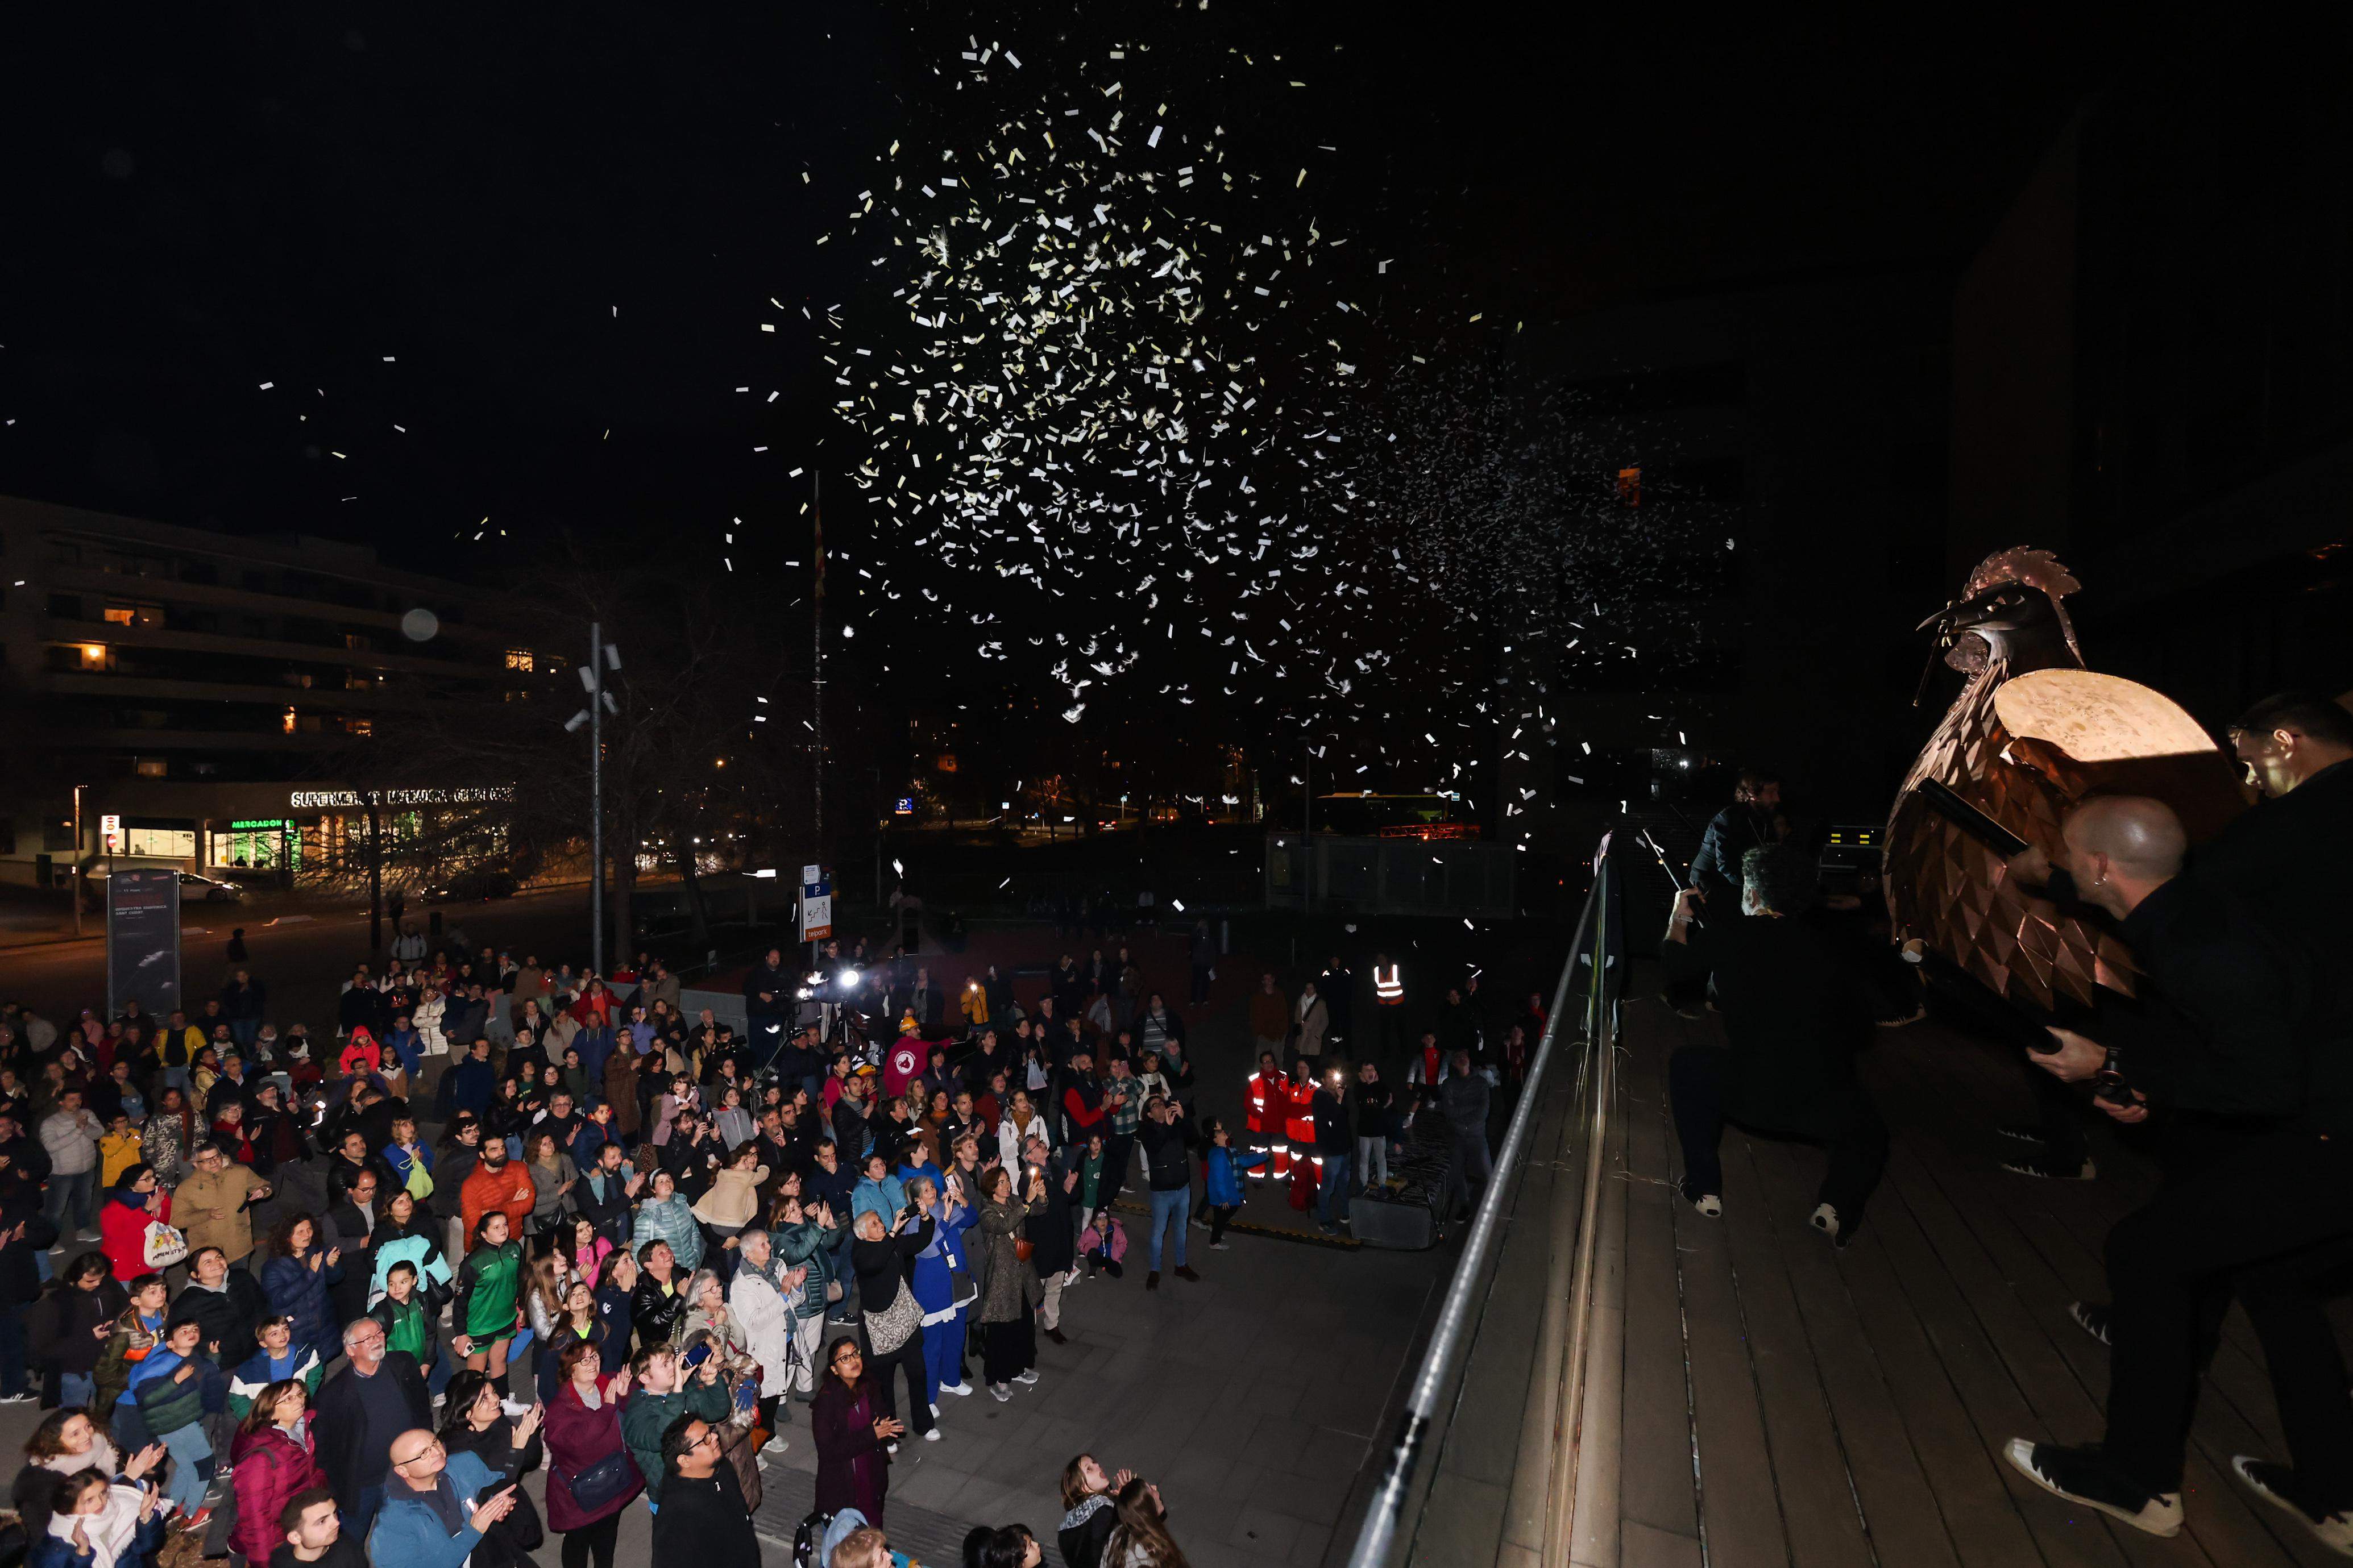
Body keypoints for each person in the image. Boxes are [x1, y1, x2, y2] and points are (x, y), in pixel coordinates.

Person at [1998, 795, 2353, 1544]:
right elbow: (2235, 1049)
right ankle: (2334, 1494)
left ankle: (2136, 1480)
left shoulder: (2201, 948)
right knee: (2274, 1282)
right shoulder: (2184, 904)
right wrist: (2146, 1083)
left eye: (2066, 852)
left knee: (2143, 1251)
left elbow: (2266, 1084)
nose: (2061, 860)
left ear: (2100, 864)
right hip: (2324, 1116)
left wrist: (2109, 1062)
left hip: (2331, 1135)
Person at [1661, 845, 1886, 1244]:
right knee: (1871, 1131)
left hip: (1749, 1093)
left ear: (1753, 893)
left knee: (1686, 1064)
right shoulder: (1835, 946)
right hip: (1820, 1102)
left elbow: (1675, 968)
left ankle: (1705, 1188)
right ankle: (1835, 1207)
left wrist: (1679, 918)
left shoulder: (1728, 935)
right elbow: (1862, 1032)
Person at [312, 1316, 431, 1545]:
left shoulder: (404, 1364)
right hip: (364, 1482)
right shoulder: (333, 1395)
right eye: (368, 1338)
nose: (377, 1340)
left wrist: (426, 1444)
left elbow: (421, 1406)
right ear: (351, 1350)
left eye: (379, 1334)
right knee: (352, 1540)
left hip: (406, 1471)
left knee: (409, 1531)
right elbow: (326, 1448)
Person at [542, 1341, 639, 1568]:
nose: (592, 1363)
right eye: (584, 1360)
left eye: (595, 1357)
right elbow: (578, 1444)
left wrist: (624, 1396)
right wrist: (607, 1408)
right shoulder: (560, 1408)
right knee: (578, 1544)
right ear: (570, 1370)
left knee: (606, 1542)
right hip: (580, 1496)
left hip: (613, 1483)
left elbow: (634, 1416)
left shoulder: (610, 1383)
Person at [367, 1426, 518, 1568]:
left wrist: (499, 1502)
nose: (437, 1452)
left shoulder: (465, 1463)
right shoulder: (392, 1521)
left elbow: (497, 1483)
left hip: (493, 1555)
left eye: (435, 1442)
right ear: (403, 1471)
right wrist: (473, 1531)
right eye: (424, 1453)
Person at [619, 1343, 729, 1513]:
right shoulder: (637, 1412)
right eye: (665, 1365)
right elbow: (662, 1439)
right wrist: (677, 1392)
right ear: (645, 1378)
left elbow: (718, 1412)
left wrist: (712, 1383)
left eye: (672, 1360)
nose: (674, 1366)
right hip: (671, 1497)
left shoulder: (685, 1389)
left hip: (704, 1481)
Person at [229, 1377, 327, 1568]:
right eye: (288, 1399)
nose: (299, 1401)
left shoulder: (304, 1429)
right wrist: (263, 1562)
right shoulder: (261, 1458)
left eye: (300, 1394)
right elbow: (255, 1519)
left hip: (295, 1526)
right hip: (274, 1539)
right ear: (270, 1411)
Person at [653, 1414, 761, 1568]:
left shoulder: (723, 1468)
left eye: (711, 1431)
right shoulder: (677, 1515)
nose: (715, 1437)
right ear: (684, 1460)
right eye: (705, 1439)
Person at [812, 1337, 900, 1525]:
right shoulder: (826, 1403)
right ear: (834, 1370)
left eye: (855, 1354)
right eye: (845, 1358)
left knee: (872, 1529)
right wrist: (872, 1434)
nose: (853, 1361)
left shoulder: (870, 1386)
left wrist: (885, 1426)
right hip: (842, 1487)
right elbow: (828, 1452)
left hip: (872, 1475)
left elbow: (881, 1415)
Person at [976, 1165, 1045, 1400]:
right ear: (991, 1188)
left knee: (1024, 1326)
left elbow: (1037, 1211)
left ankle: (1019, 1367)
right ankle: (999, 1378)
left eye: (1007, 1181)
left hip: (1022, 1274)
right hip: (1002, 1280)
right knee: (1001, 1333)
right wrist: (1027, 1202)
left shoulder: (1015, 1201)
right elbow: (1004, 1225)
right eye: (1002, 1183)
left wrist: (1041, 1197)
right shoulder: (987, 1212)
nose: (1007, 1186)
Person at [26, 1467, 168, 1568]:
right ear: (69, 1507)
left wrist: (146, 1518)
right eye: (89, 1500)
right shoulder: (57, 1547)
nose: (101, 1502)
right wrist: (82, 1553)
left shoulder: (119, 1508)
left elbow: (147, 1547)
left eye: (103, 1493)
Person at [452, 1209, 526, 1388]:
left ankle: (502, 1399)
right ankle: (475, 1404)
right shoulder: (473, 1263)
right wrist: (461, 1333)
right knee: (476, 1373)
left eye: (505, 1225)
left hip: (506, 1318)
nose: (503, 1230)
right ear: (484, 1234)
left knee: (499, 1361)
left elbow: (522, 1280)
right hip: (480, 1325)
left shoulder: (515, 1248)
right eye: (496, 1227)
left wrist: (523, 1307)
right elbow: (460, 1301)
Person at [1689, 768, 1782, 907]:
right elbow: (1727, 867)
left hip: (1734, 885)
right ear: (1752, 793)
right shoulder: (1728, 819)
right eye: (1771, 792)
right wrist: (1760, 888)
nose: (1777, 798)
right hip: (1711, 888)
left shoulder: (1763, 818)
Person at [258, 1213, 342, 1366]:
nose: (307, 1235)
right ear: (287, 1237)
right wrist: (311, 1273)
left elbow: (336, 1279)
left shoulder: (317, 1251)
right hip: (298, 1328)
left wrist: (331, 1266)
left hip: (323, 1322)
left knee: (321, 1367)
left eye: (309, 1229)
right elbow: (279, 1299)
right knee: (303, 1369)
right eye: (300, 1232)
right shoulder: (273, 1266)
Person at [1135, 1096, 1199, 1284]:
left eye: (1162, 1103)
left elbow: (1194, 1139)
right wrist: (1167, 1127)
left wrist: (1184, 1118)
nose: (1161, 1106)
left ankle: (1181, 1265)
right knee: (1158, 1232)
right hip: (1162, 1192)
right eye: (1155, 1106)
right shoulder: (1146, 1130)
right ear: (1149, 1114)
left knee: (1181, 1228)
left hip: (1183, 1188)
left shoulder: (1177, 1123)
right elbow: (1154, 1147)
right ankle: (1155, 1269)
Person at [1059, 1453, 1135, 1568]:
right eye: (1089, 1469)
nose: (1098, 1466)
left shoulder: (1065, 1532)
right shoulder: (1104, 1511)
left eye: (1094, 1463)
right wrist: (1130, 1498)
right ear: (1083, 1487)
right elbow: (1137, 1532)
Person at [1099, 1475, 1188, 1568]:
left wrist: (1130, 1496)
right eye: (1150, 1489)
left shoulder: (1117, 1535)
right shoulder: (1148, 1549)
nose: (1155, 1487)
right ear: (1146, 1504)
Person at [272, 1486, 366, 1568]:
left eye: (334, 1513)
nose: (336, 1523)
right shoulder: (280, 1562)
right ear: (295, 1537)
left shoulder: (348, 1549)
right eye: (322, 1521)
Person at [1351, 1062, 1394, 1196]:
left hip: (1379, 1130)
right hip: (1364, 1131)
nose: (1371, 1072)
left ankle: (1382, 1184)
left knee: (1381, 1158)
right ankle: (1364, 1184)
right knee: (1364, 1158)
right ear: (1361, 1074)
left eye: (1372, 1069)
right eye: (1367, 1070)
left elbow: (1385, 1102)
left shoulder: (1381, 1086)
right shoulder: (1358, 1087)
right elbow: (1363, 1105)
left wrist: (1375, 1087)